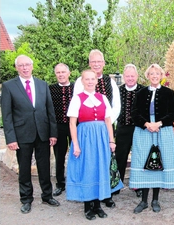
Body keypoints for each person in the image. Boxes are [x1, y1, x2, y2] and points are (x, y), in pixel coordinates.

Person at [0, 54, 60, 214]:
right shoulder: (8, 86)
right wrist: (11, 138)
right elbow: (6, 115)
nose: (25, 68)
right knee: (25, 169)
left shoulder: (42, 85)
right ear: (16, 68)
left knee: (44, 167)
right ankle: (26, 199)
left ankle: (47, 196)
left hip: (43, 134)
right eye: (21, 65)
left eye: (27, 64)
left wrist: (53, 133)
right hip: (22, 135)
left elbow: (50, 111)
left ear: (32, 66)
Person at [65, 69, 124, 220]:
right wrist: (76, 145)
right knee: (88, 169)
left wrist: (112, 140)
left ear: (96, 81)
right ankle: (87, 207)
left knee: (100, 168)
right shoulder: (77, 99)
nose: (90, 81)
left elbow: (108, 121)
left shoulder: (103, 98)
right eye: (87, 79)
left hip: (102, 138)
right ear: (82, 81)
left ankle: (97, 205)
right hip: (85, 138)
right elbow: (72, 124)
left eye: (93, 79)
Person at [129, 63, 174, 214]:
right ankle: (143, 201)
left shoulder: (169, 93)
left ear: (161, 76)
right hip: (144, 131)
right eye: (152, 74)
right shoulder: (141, 93)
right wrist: (146, 124)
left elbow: (172, 114)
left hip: (162, 130)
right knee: (144, 161)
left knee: (158, 162)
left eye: (157, 73)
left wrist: (158, 123)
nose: (155, 76)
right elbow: (134, 112)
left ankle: (155, 200)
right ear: (148, 76)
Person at [73, 49, 120, 207]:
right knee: (89, 166)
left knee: (104, 165)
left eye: (99, 61)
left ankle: (105, 197)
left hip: (104, 129)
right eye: (93, 62)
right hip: (86, 131)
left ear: (104, 63)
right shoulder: (80, 84)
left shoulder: (110, 82)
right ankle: (89, 202)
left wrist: (104, 125)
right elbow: (76, 114)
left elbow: (115, 106)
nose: (96, 64)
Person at [113, 64, 145, 197]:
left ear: (137, 76)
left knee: (139, 158)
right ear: (124, 77)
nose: (130, 78)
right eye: (128, 76)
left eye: (132, 76)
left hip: (140, 129)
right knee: (120, 157)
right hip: (122, 128)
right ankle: (117, 185)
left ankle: (139, 186)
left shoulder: (144, 90)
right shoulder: (118, 91)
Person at [48, 63, 74, 197]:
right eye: (58, 72)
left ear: (69, 73)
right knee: (59, 156)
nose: (61, 75)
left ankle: (75, 181)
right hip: (58, 127)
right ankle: (60, 183)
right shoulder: (50, 89)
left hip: (75, 126)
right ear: (55, 74)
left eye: (63, 72)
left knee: (77, 154)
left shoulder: (77, 87)